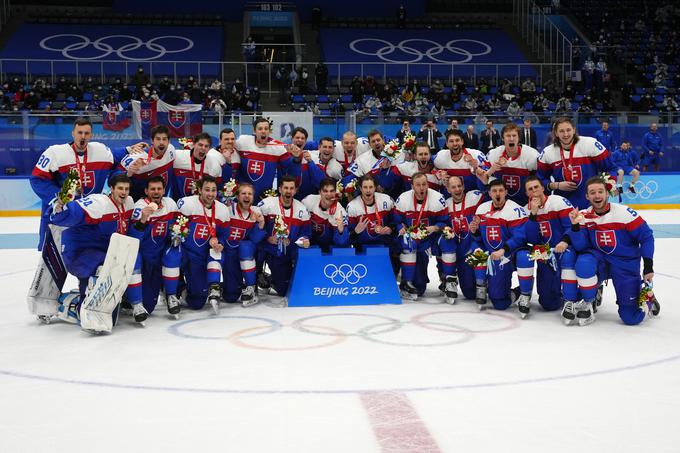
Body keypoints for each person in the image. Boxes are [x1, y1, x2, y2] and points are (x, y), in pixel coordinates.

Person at [565, 176, 656, 326]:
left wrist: (648, 266)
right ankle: (592, 295)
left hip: (625, 264)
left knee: (630, 317)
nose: (597, 195)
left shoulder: (625, 214)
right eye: (592, 193)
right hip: (601, 260)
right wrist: (575, 226)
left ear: (607, 193)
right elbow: (581, 247)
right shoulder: (583, 216)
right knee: (584, 262)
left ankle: (648, 299)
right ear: (587, 196)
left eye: (600, 191)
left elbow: (646, 238)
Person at [49, 174, 135, 322]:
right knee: (104, 267)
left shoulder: (129, 203)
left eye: (127, 189)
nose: (124, 192)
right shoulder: (99, 204)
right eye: (120, 188)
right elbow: (70, 213)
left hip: (100, 252)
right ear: (111, 189)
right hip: (78, 252)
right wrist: (61, 205)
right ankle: (68, 306)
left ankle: (80, 303)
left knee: (114, 266)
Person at [31, 117, 115, 249]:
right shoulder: (55, 153)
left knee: (83, 254)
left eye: (86, 133)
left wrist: (128, 150)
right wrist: (57, 198)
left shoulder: (101, 151)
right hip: (61, 213)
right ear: (72, 133)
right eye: (79, 132)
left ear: (91, 135)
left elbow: (117, 156)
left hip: (87, 215)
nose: (83, 136)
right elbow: (37, 179)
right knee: (53, 259)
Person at [469, 180, 534, 313]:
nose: (497, 193)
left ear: (506, 192)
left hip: (509, 254)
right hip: (493, 255)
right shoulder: (482, 209)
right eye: (494, 191)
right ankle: (481, 285)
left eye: (500, 190)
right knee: (499, 302)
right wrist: (475, 231)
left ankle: (524, 292)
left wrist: (503, 250)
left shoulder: (515, 210)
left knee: (524, 257)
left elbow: (520, 238)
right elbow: (480, 239)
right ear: (489, 193)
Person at [127, 176, 182, 319]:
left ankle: (171, 295)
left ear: (164, 190)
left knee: (173, 253)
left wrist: (177, 234)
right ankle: (132, 301)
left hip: (160, 255)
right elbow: (133, 238)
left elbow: (178, 225)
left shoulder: (170, 204)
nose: (156, 192)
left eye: (159, 189)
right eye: (152, 189)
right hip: (145, 257)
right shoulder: (139, 207)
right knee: (149, 307)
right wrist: (143, 220)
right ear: (146, 191)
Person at [523, 176, 578, 317]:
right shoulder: (525, 210)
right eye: (530, 189)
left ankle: (585, 293)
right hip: (544, 251)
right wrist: (533, 214)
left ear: (542, 188)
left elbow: (572, 225)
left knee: (568, 263)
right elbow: (531, 239)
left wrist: (565, 241)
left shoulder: (558, 201)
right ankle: (552, 293)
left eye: (536, 187)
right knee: (548, 304)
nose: (534, 191)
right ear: (527, 194)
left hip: (565, 246)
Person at [537, 117, 617, 209]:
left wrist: (606, 188)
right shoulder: (547, 152)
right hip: (562, 208)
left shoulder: (590, 144)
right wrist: (556, 185)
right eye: (561, 131)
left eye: (568, 130)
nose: (566, 134)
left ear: (574, 130)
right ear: (556, 133)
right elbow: (540, 180)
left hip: (591, 206)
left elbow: (611, 168)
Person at [177, 175, 230, 313]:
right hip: (186, 252)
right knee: (171, 257)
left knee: (197, 302)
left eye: (213, 190)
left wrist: (219, 242)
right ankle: (175, 287)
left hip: (203, 256)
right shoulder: (187, 204)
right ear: (199, 190)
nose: (210, 194)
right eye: (207, 190)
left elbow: (224, 234)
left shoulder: (222, 209)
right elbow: (176, 229)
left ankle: (213, 286)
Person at [393, 172, 447, 300]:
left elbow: (444, 221)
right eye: (418, 185)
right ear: (412, 186)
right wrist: (401, 227)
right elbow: (396, 221)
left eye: (424, 184)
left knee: (421, 288)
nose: (421, 188)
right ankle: (406, 281)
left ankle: (447, 279)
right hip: (411, 239)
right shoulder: (403, 198)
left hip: (429, 239)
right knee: (407, 243)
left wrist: (434, 227)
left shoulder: (437, 198)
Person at [257, 176, 311, 297]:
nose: (288, 191)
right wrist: (267, 238)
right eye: (285, 188)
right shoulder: (266, 204)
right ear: (280, 189)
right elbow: (255, 228)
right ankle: (258, 273)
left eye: (291, 188)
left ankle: (272, 279)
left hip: (286, 252)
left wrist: (303, 241)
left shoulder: (302, 209)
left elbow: (306, 233)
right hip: (268, 249)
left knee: (284, 290)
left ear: (295, 191)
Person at [438, 175, 484, 304]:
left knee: (470, 294)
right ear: (448, 189)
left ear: (463, 187)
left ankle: (488, 283)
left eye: (459, 186)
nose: (457, 189)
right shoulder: (445, 205)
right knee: (469, 293)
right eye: (453, 187)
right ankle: (449, 279)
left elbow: (489, 192)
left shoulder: (474, 197)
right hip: (456, 251)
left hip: (472, 249)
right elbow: (439, 223)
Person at [233, 117, 302, 199]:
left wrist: (296, 157)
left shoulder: (279, 148)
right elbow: (228, 147)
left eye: (266, 129)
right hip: (243, 195)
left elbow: (289, 168)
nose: (263, 131)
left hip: (264, 197)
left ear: (269, 131)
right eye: (260, 129)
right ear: (254, 131)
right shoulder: (243, 142)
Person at [223, 182, 267, 307]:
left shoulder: (256, 212)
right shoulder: (228, 209)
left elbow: (255, 239)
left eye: (250, 194)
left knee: (246, 246)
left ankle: (251, 287)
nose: (247, 196)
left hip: (243, 253)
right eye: (243, 193)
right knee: (230, 297)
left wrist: (260, 224)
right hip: (228, 252)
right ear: (237, 196)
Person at [485, 122, 539, 206]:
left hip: (525, 203)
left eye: (514, 136)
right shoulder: (493, 154)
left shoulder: (531, 154)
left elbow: (539, 181)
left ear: (518, 138)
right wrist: (491, 170)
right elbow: (482, 181)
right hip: (500, 203)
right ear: (503, 138)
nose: (511, 139)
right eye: (508, 136)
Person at [346, 175, 397, 264]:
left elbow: (396, 222)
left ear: (375, 188)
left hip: (384, 246)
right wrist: (355, 231)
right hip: (362, 249)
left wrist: (390, 229)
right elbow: (347, 238)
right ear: (360, 189)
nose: (368, 190)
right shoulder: (352, 207)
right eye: (365, 187)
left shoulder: (386, 200)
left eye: (371, 187)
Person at [117, 125, 176, 201]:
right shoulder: (136, 158)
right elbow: (112, 179)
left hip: (163, 203)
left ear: (169, 141)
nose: (161, 142)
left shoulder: (171, 150)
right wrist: (127, 174)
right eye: (158, 139)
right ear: (152, 141)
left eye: (164, 139)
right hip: (140, 205)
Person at [344, 129, 402, 200]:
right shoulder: (362, 159)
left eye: (378, 140)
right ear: (370, 144)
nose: (376, 143)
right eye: (373, 141)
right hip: (374, 196)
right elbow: (350, 178)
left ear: (383, 140)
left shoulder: (397, 153)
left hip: (397, 193)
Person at [433, 129, 489, 196]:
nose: (455, 144)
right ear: (447, 144)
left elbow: (488, 176)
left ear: (462, 141)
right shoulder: (440, 156)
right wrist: (439, 174)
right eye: (451, 141)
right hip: (450, 198)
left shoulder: (476, 155)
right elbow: (431, 168)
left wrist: (477, 169)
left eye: (457, 140)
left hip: (472, 198)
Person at [171, 132, 223, 201]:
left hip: (200, 208)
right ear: (194, 144)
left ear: (209, 148)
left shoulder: (214, 164)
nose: (203, 148)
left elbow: (216, 190)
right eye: (200, 145)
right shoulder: (178, 156)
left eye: (206, 146)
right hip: (177, 206)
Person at [302, 178, 349, 249]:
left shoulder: (340, 212)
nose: (329, 194)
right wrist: (303, 239)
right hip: (309, 247)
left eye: (332, 191)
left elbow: (342, 243)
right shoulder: (308, 201)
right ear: (320, 192)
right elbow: (299, 226)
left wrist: (341, 231)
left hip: (330, 249)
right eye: (325, 191)